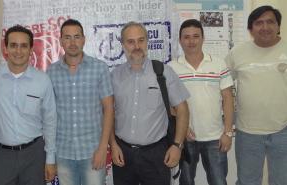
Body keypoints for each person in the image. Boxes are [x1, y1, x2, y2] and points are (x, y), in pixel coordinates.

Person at [109, 21, 190, 185]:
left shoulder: (163, 72)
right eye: (130, 42)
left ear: (147, 41)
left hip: (155, 154)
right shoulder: (114, 76)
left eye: (141, 40)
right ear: (123, 44)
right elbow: (108, 113)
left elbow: (182, 110)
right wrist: (113, 145)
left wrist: (177, 146)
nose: (136, 46)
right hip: (123, 153)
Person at [0, 25, 57, 185]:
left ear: (31, 49)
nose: (18, 51)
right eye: (13, 45)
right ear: (6, 48)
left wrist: (50, 158)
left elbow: (50, 121)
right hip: (1, 156)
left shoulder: (42, 80)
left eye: (24, 46)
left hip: (34, 154)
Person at [47, 19, 114, 185]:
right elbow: (48, 115)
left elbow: (109, 109)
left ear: (84, 39)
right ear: (61, 41)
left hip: (93, 151)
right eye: (67, 37)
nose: (72, 42)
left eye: (77, 37)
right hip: (63, 152)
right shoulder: (51, 72)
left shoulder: (100, 68)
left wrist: (103, 148)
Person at [225, 5, 287, 185]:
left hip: (282, 131)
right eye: (259, 23)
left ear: (278, 26)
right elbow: (223, 86)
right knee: (247, 181)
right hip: (247, 132)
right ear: (251, 29)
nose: (265, 27)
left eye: (270, 22)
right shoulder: (237, 53)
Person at [169, 19, 234, 185]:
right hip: (186, 137)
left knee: (219, 181)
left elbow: (228, 98)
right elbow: (169, 104)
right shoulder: (172, 68)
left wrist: (228, 132)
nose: (191, 41)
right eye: (187, 37)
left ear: (203, 38)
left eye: (196, 36)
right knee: (186, 181)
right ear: (180, 40)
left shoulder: (219, 64)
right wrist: (181, 127)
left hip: (216, 137)